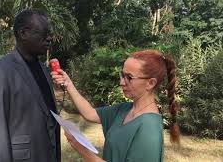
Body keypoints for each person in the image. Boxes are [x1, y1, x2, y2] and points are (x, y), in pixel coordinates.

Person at [51, 50, 180, 162]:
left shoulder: (148, 128)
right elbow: (90, 114)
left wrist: (81, 148)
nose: (121, 82)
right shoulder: (124, 109)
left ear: (150, 83)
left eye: (129, 77)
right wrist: (68, 84)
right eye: (122, 75)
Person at [0, 9, 61, 162]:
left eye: (49, 34)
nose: (49, 38)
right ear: (23, 33)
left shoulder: (44, 69)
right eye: (44, 34)